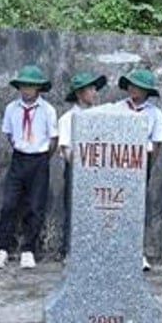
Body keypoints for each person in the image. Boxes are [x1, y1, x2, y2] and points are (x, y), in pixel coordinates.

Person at [0, 65, 59, 269]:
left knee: (35, 206)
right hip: (19, 158)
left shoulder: (48, 110)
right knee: (9, 204)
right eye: (23, 85)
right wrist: (22, 148)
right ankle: (2, 248)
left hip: (39, 159)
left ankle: (28, 249)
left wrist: (43, 156)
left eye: (31, 86)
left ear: (38, 88)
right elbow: (10, 135)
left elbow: (53, 139)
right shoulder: (12, 108)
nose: (26, 90)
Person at [115, 68, 162, 270]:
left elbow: (157, 143)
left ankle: (137, 253)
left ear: (147, 91)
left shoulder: (154, 113)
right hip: (117, 164)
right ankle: (115, 252)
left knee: (137, 209)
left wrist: (148, 165)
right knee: (116, 208)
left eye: (140, 87)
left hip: (141, 161)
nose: (134, 90)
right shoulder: (117, 108)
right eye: (132, 85)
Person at [57, 71, 106, 259]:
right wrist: (83, 167)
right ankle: (70, 251)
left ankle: (93, 250)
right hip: (77, 171)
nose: (95, 93)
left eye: (95, 89)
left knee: (97, 211)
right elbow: (66, 149)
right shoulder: (67, 119)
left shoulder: (101, 116)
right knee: (73, 210)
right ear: (79, 93)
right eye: (91, 89)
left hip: (99, 171)